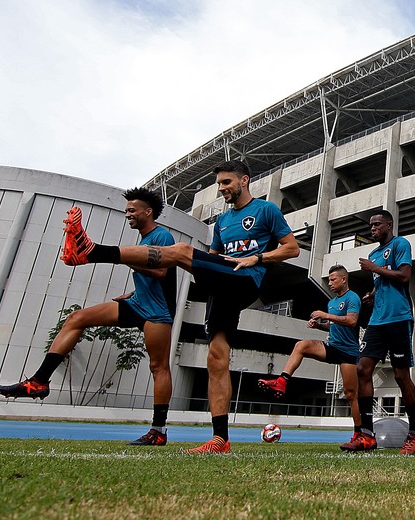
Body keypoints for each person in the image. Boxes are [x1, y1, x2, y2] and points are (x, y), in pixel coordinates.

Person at [57, 160, 299, 454]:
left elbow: (292, 248)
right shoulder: (222, 222)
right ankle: (220, 440)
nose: (221, 189)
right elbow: (211, 258)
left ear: (244, 180)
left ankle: (93, 251)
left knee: (182, 250)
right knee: (216, 357)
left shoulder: (266, 210)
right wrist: (141, 291)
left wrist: (257, 259)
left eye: (226, 183)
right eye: (219, 184)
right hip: (220, 284)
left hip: (246, 279)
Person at [0, 188, 177, 446]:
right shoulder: (142, 239)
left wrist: (125, 259)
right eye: (126, 210)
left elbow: (160, 272)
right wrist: (132, 292)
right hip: (136, 303)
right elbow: (149, 277)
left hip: (157, 312)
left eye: (132, 210)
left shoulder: (162, 236)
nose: (128, 214)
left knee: (158, 367)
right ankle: (38, 381)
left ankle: (158, 431)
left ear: (148, 211)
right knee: (76, 318)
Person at [340, 210, 415, 455]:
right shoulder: (374, 253)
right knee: (362, 369)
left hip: (399, 318)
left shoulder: (400, 244)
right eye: (371, 225)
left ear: (389, 224)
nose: (373, 228)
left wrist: (374, 267)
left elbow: (404, 276)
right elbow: (383, 282)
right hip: (377, 321)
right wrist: (372, 295)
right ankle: (366, 435)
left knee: (400, 376)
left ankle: (414, 434)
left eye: (377, 224)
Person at [257, 264, 362, 447]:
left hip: (348, 352)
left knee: (351, 394)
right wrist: (320, 325)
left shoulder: (353, 298)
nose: (329, 283)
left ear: (343, 279)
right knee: (301, 345)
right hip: (332, 346)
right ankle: (282, 381)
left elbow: (352, 321)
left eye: (333, 279)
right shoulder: (332, 302)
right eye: (328, 279)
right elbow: (335, 326)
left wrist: (326, 316)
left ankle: (359, 433)